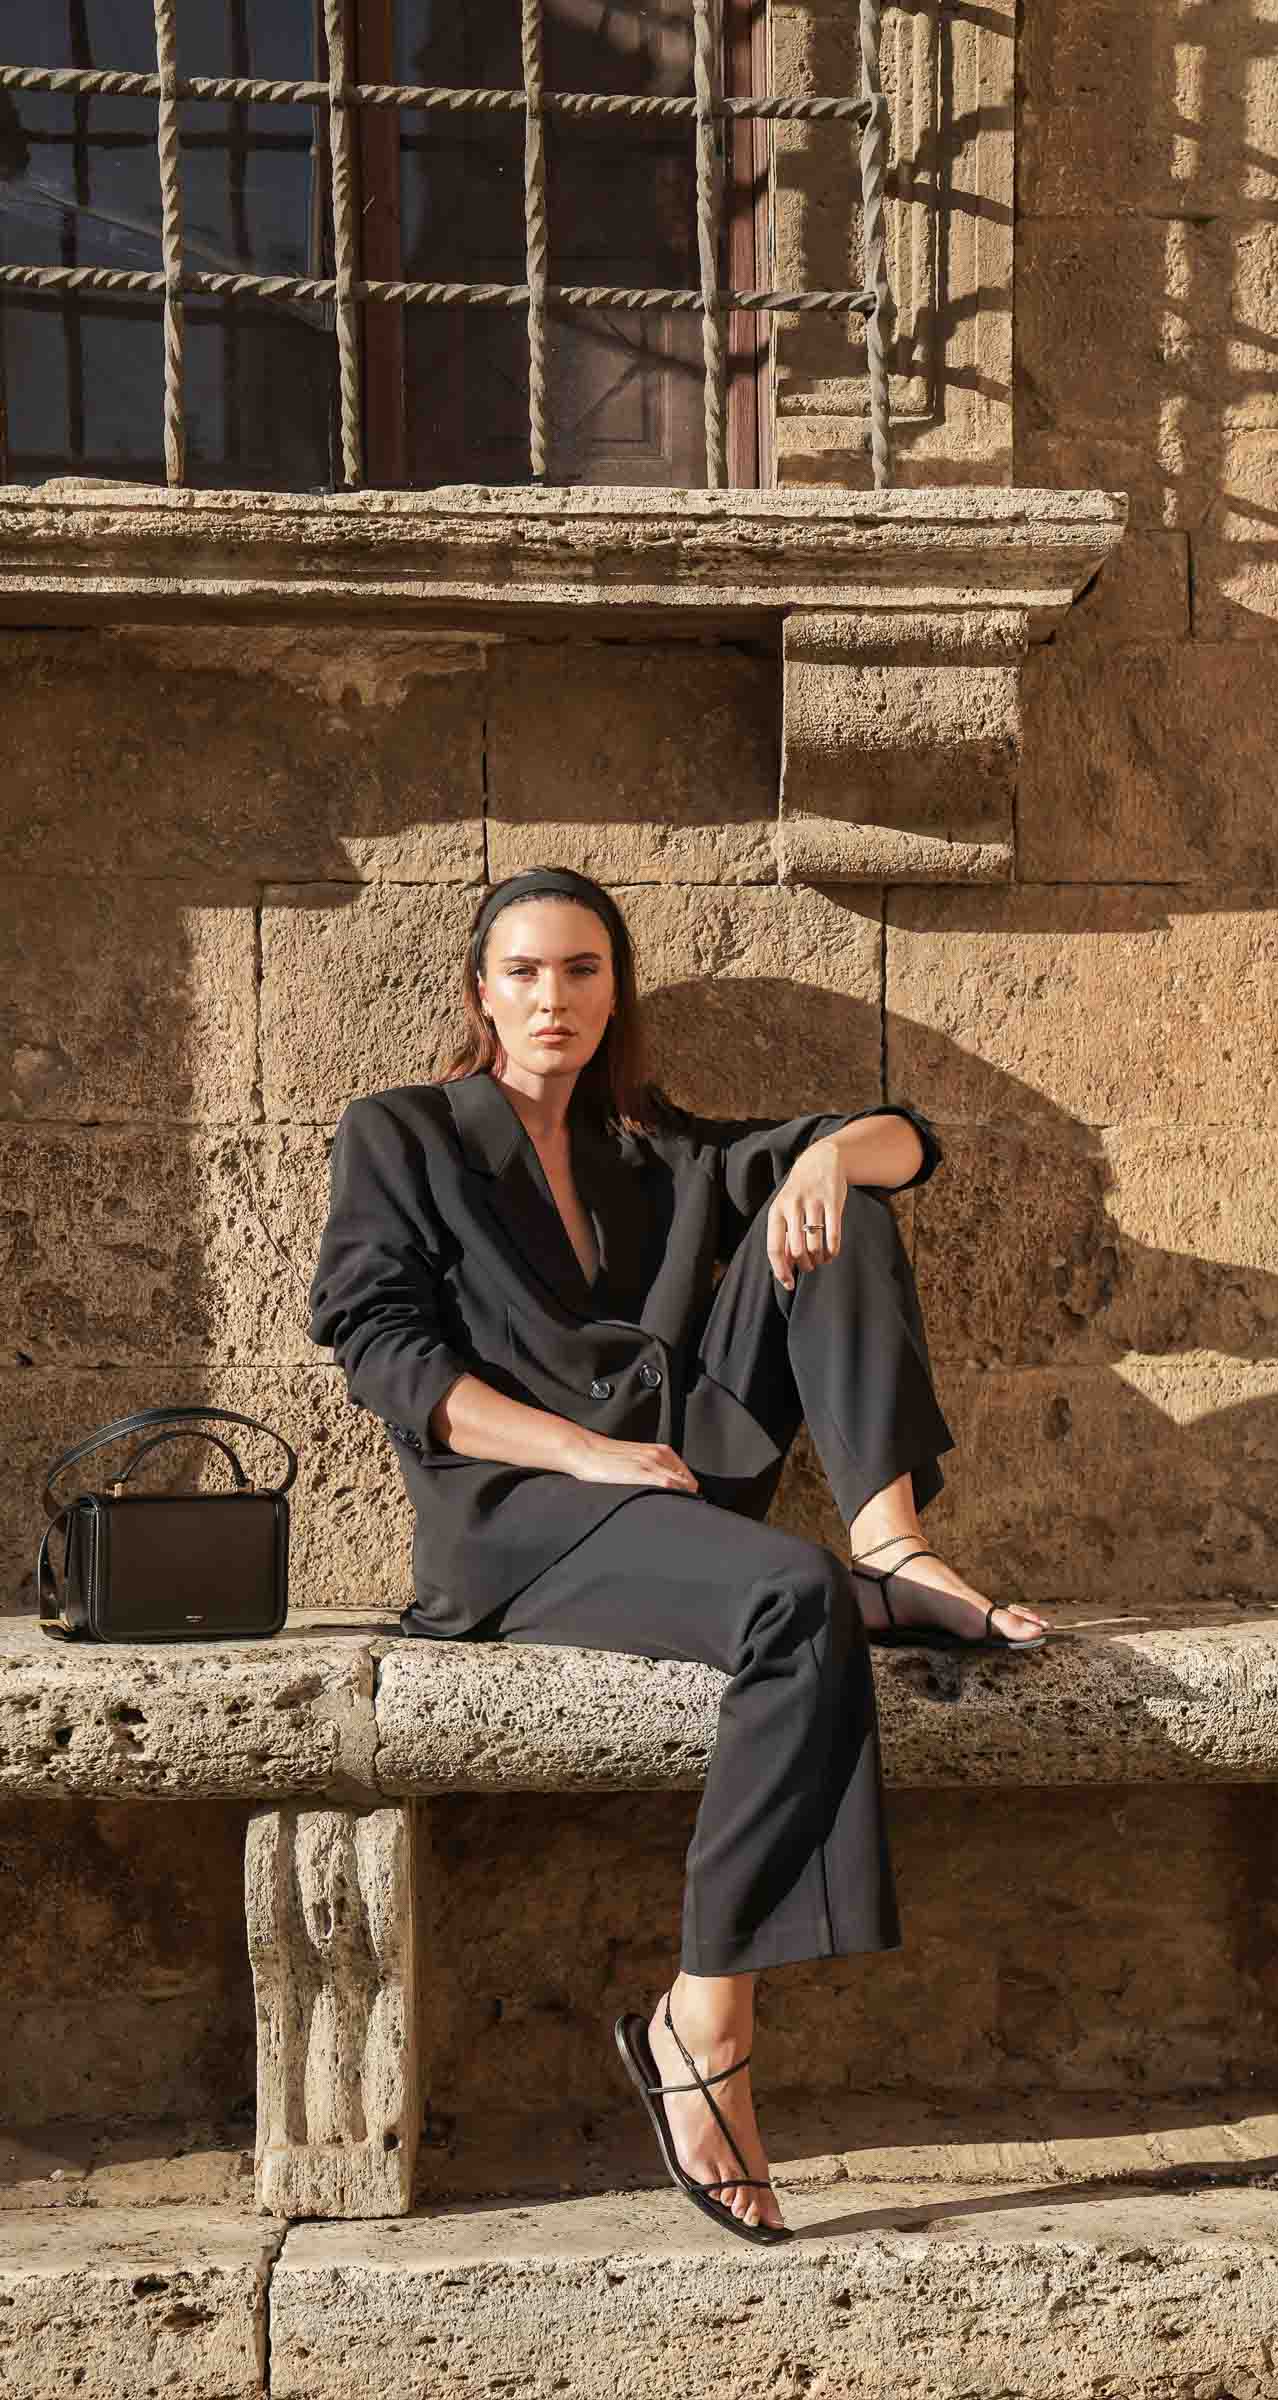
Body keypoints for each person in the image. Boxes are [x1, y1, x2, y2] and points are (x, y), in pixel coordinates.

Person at [306, 866, 1048, 2244]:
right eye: (524, 971)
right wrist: (578, 1453)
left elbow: (909, 1145)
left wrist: (831, 1156)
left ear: (615, 992)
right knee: (791, 1598)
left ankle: (890, 1540)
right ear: (480, 993)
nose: (553, 997)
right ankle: (703, 2022)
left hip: (675, 1472)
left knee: (841, 1208)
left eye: (582, 970)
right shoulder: (403, 1132)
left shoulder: (655, 1147)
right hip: (515, 1519)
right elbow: (383, 1350)